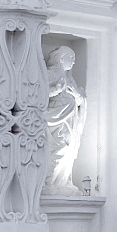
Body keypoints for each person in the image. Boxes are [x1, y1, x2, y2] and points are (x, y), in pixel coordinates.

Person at [44, 46, 88, 195]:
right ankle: (47, 182)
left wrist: (76, 95)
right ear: (61, 58)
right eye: (71, 58)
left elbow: (81, 99)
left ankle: (63, 182)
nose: (74, 62)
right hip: (56, 117)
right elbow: (37, 92)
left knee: (69, 149)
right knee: (59, 149)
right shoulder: (53, 73)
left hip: (70, 118)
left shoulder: (69, 78)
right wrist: (55, 90)